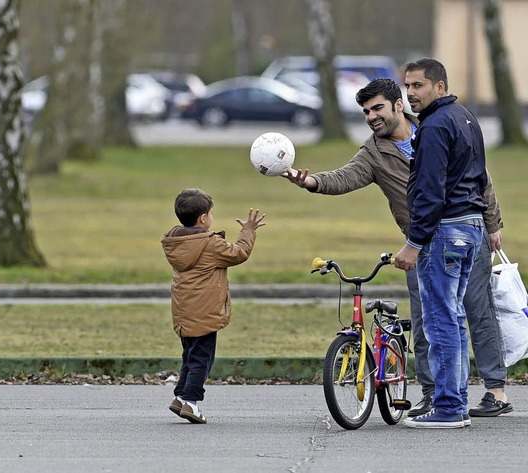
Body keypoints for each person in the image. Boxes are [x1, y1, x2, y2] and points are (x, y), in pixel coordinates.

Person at [282, 77, 510, 424]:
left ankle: (495, 390)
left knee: (477, 311)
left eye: (377, 108)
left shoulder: (435, 127)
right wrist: (310, 182)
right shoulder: (374, 153)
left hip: (463, 228)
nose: (371, 116)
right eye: (365, 111)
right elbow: (344, 178)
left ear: (398, 105)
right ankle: (436, 395)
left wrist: (492, 223)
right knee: (426, 321)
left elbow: (480, 175)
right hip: (420, 244)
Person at [393, 57, 493, 428]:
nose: (411, 93)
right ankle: (457, 403)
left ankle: (449, 408)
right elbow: (480, 177)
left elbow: (431, 192)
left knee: (439, 321)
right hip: (470, 225)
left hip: (446, 230)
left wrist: (413, 243)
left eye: (418, 85)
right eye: (407, 86)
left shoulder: (435, 125)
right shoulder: (465, 117)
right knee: (452, 317)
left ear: (439, 86)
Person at [161, 189, 265, 423]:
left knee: (190, 356)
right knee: (202, 360)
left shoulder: (176, 241)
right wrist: (248, 230)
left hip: (183, 312)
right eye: (211, 213)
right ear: (203, 219)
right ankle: (190, 402)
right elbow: (239, 253)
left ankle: (180, 397)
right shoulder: (210, 244)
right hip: (205, 313)